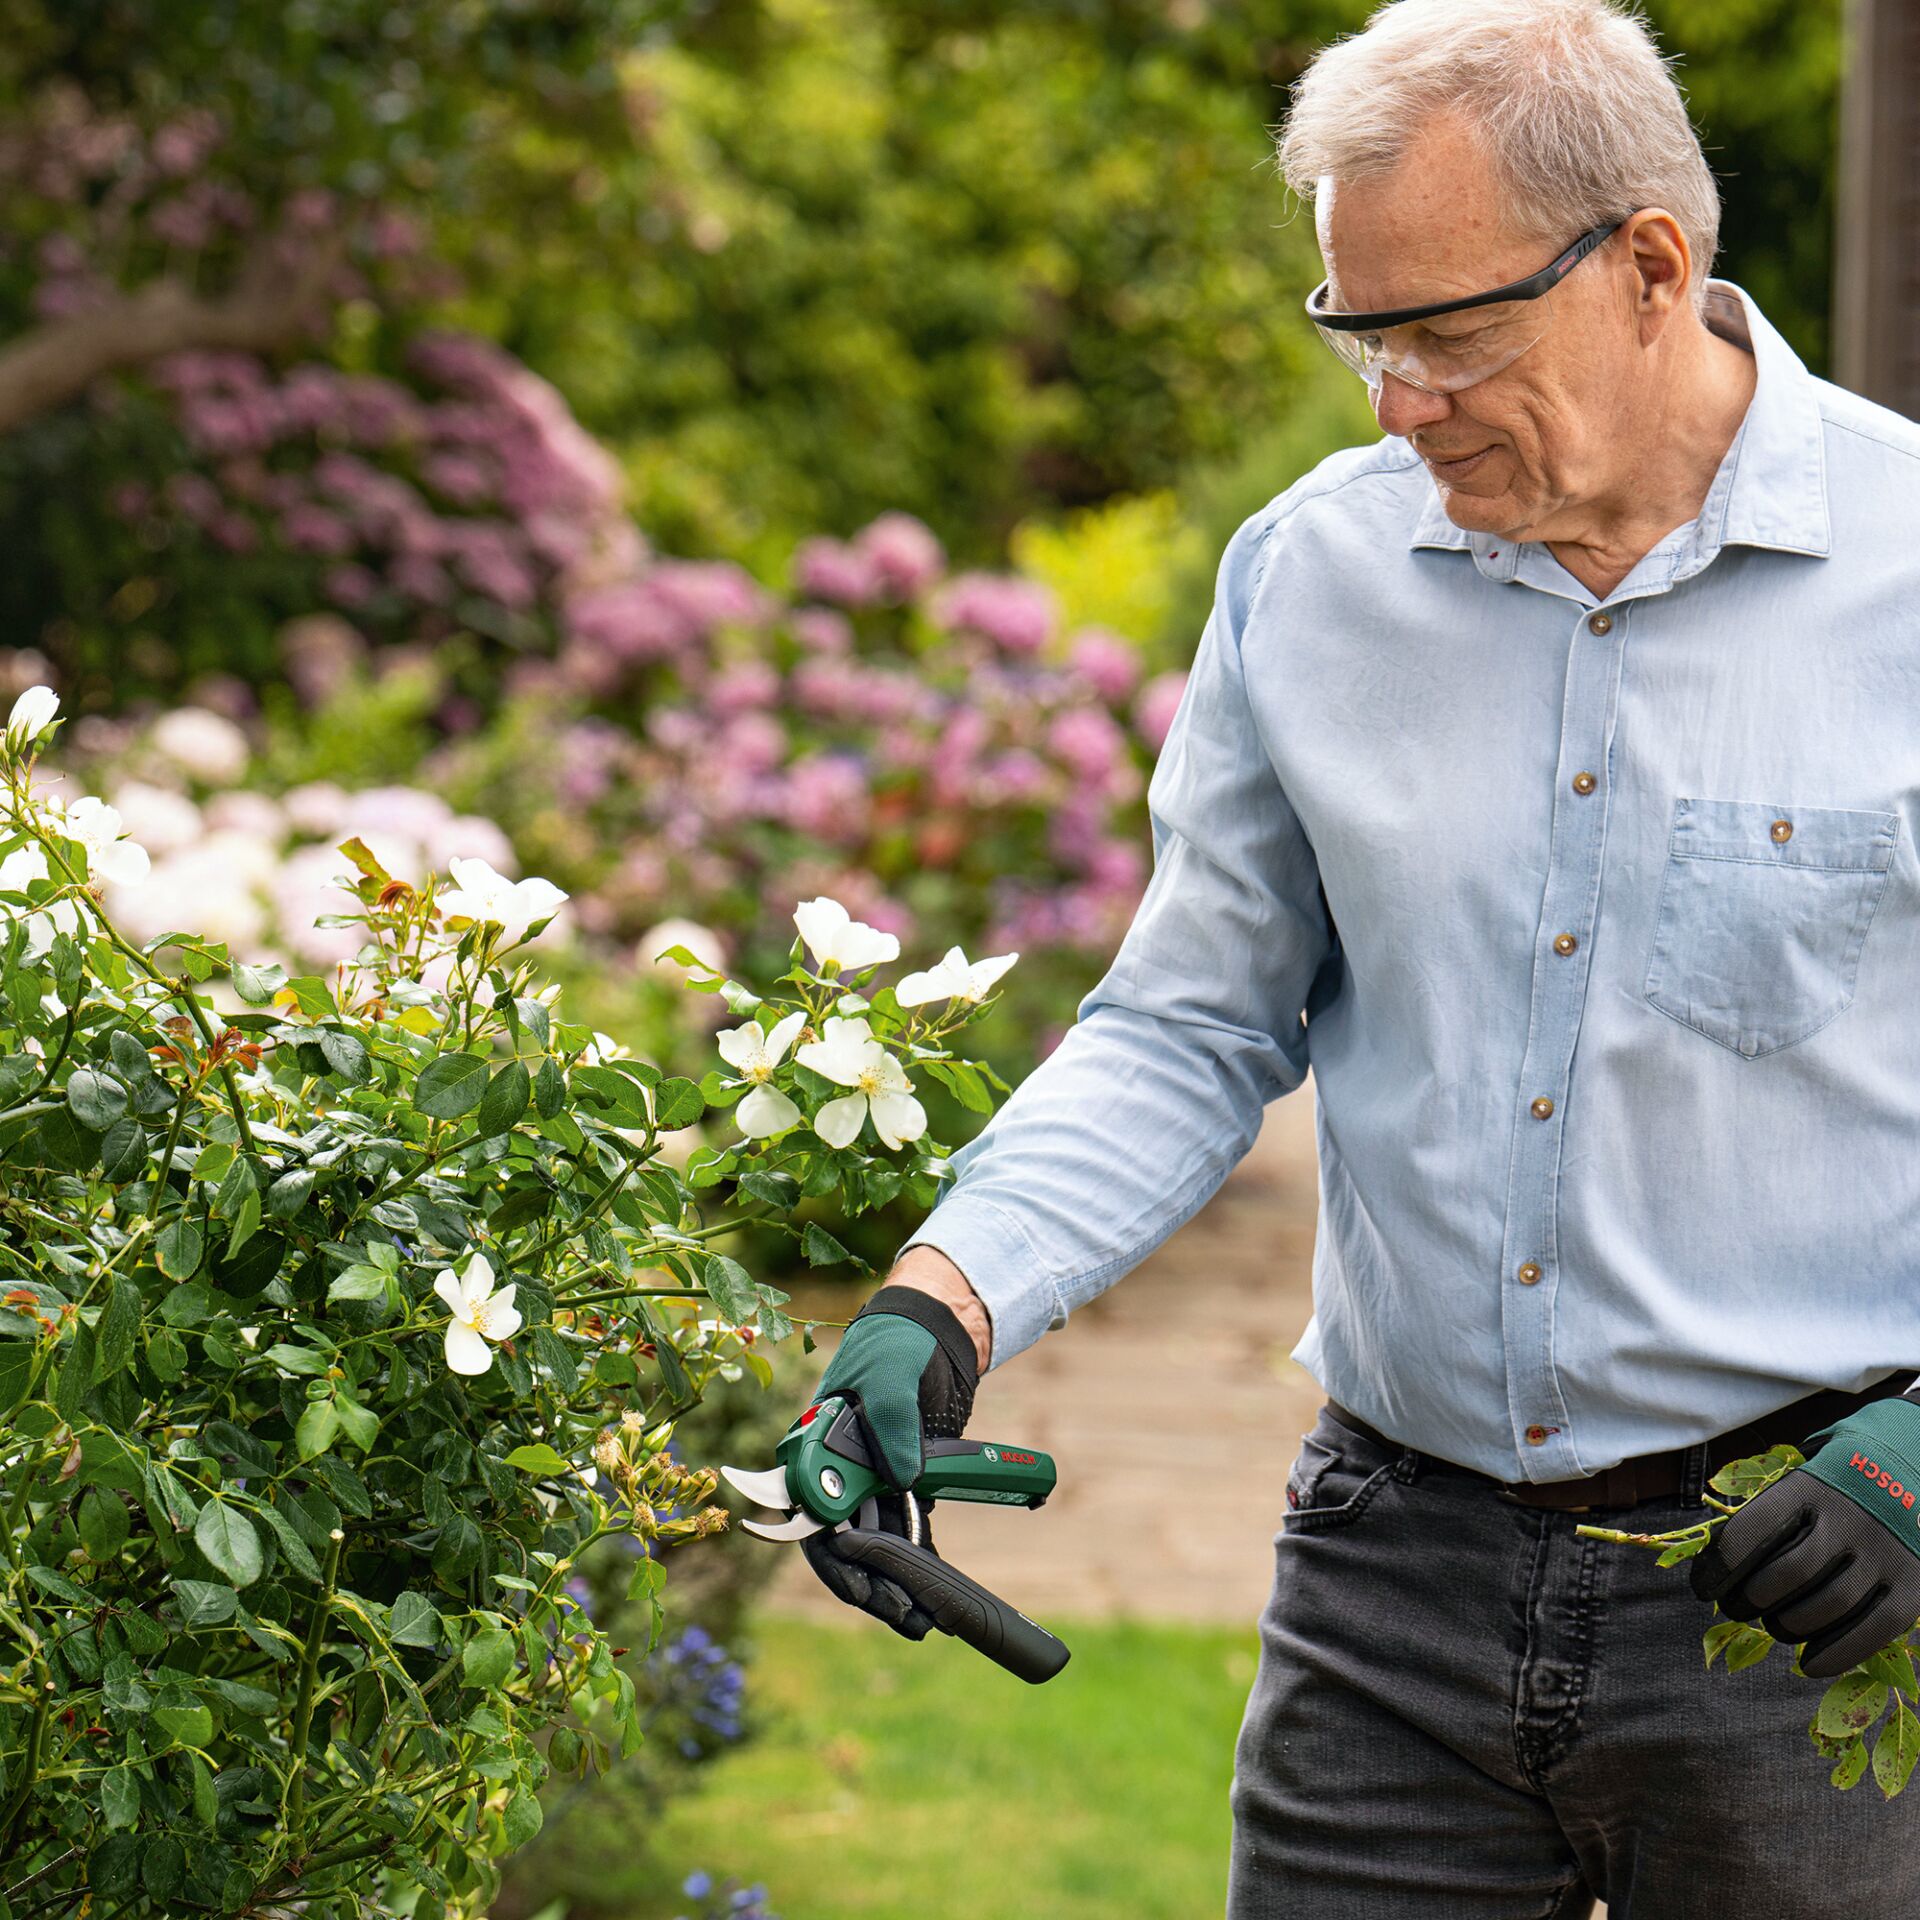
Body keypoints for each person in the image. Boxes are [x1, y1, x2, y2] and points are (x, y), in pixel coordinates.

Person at [795, 0, 1920, 1912]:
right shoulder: (1311, 576)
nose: (1397, 403)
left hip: (1819, 1583)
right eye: (1360, 335)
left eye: (1450, 334)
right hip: (1388, 1584)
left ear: (1653, 265)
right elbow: (1189, 1021)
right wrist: (940, 1299)